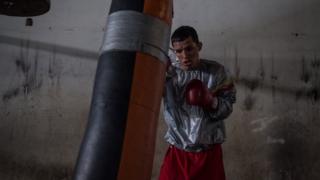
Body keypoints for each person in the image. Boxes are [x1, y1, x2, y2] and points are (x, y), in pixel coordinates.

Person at [159, 25, 236, 180]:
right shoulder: (167, 74)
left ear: (199, 46)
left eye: (189, 49)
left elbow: (228, 107)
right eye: (178, 51)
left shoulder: (217, 72)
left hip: (208, 154)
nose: (184, 56)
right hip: (178, 153)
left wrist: (211, 101)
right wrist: (156, 69)